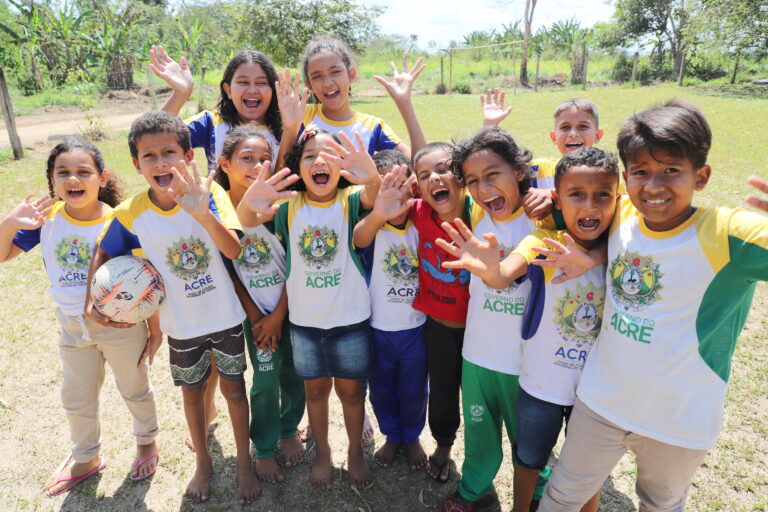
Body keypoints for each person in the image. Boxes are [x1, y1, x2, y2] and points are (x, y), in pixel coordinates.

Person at [537, 100, 768, 511]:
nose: (654, 186)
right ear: (626, 179)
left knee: (660, 505)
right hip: (600, 404)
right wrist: (585, 250)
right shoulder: (620, 212)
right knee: (560, 497)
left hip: (677, 422)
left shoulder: (732, 233)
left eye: (671, 170)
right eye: (641, 172)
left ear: (702, 176)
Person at [87, 111, 260, 505]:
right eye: (150, 156)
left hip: (226, 317)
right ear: (137, 164)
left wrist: (201, 212)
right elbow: (103, 256)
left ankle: (244, 463)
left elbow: (234, 249)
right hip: (180, 325)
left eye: (170, 152)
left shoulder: (209, 193)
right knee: (192, 394)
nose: (161, 162)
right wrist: (96, 306)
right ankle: (203, 462)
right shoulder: (131, 212)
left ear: (188, 156)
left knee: (235, 392)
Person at [0, 138, 160, 496]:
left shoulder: (120, 221)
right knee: (77, 396)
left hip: (121, 327)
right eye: (64, 173)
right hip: (72, 327)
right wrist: (10, 223)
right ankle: (86, 457)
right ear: (53, 180)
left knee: (134, 389)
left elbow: (146, 280)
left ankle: (146, 441)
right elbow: (2, 254)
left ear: (102, 178)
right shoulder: (48, 220)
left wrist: (154, 329)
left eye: (83, 172)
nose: (74, 179)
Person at [237, 127, 382, 490]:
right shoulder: (288, 207)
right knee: (315, 392)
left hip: (351, 322)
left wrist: (374, 176)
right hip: (304, 325)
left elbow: (375, 197)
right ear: (298, 168)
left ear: (343, 166)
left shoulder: (349, 199)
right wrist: (249, 199)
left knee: (351, 394)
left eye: (330, 154)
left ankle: (354, 452)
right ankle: (323, 453)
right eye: (310, 155)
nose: (320, 161)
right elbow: (247, 220)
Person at [433, 128, 549, 511]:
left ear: (519, 171)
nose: (483, 189)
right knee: (480, 433)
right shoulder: (478, 214)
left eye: (493, 175)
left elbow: (576, 172)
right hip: (478, 355)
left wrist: (548, 197)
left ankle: (537, 492)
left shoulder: (544, 220)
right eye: (473, 181)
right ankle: (474, 488)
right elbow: (436, 174)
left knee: (528, 442)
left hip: (525, 362)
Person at [510, 147, 619, 512]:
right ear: (558, 198)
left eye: (602, 195)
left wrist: (595, 256)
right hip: (541, 382)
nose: (589, 207)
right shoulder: (544, 241)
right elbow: (503, 273)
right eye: (576, 195)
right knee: (528, 459)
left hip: (595, 391)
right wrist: (488, 268)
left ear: (618, 199)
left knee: (587, 469)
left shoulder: (624, 247)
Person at [215, 125, 307, 482]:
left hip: (293, 309)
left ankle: (288, 429)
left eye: (264, 158)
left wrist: (279, 315)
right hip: (253, 319)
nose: (257, 165)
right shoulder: (221, 212)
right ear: (225, 163)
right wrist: (258, 317)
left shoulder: (282, 207)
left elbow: (298, 265)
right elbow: (229, 271)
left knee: (295, 374)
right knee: (265, 381)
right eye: (246, 158)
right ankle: (265, 447)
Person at [353, 151, 428, 471]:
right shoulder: (372, 226)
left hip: (417, 328)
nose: (395, 195)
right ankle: (392, 435)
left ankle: (411, 438)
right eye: (386, 187)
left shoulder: (422, 224)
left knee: (413, 390)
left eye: (401, 186)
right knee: (381, 390)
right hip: (378, 329)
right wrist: (379, 212)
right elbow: (359, 238)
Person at [278, 35, 409, 158]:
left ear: (351, 74)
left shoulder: (372, 126)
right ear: (309, 85)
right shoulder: (300, 116)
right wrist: (290, 128)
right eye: (317, 76)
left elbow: (420, 165)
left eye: (335, 72)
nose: (328, 83)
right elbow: (281, 174)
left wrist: (404, 102)